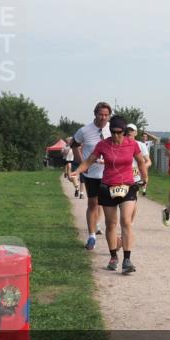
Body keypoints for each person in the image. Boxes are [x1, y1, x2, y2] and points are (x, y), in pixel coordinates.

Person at [72, 115, 148, 274]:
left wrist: (145, 178)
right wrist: (77, 171)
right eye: (113, 132)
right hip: (107, 186)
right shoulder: (103, 145)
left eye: (119, 132)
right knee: (111, 223)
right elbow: (89, 161)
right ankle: (113, 256)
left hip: (127, 186)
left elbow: (141, 162)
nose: (115, 135)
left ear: (124, 131)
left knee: (126, 221)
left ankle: (127, 260)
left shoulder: (132, 144)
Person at [72, 102, 112, 249]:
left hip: (109, 174)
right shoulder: (84, 130)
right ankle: (91, 236)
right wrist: (82, 163)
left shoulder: (112, 129)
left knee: (108, 206)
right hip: (92, 174)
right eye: (101, 114)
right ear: (95, 114)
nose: (103, 117)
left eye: (106, 115)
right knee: (93, 203)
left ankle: (108, 232)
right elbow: (74, 145)